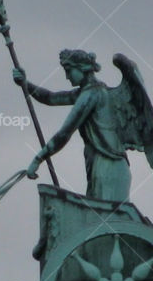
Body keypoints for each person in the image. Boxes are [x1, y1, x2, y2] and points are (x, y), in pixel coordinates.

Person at [14, 49, 133, 202]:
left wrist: (38, 159)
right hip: (100, 164)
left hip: (109, 166)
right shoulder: (85, 93)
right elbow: (50, 98)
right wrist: (25, 84)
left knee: (107, 221)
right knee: (97, 220)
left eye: (69, 71)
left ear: (82, 68)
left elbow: (65, 133)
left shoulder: (93, 94)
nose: (67, 76)